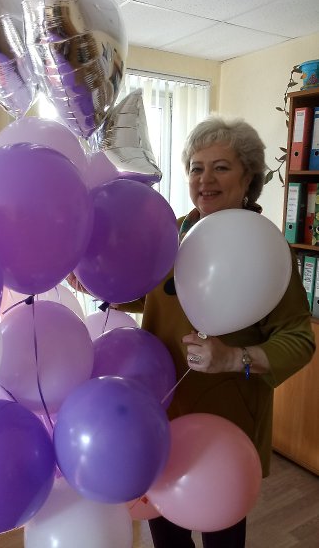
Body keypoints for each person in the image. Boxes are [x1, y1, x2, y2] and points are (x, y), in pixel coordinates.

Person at [68, 115, 315, 547]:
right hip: (159, 408)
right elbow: (155, 294)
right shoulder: (171, 232)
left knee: (221, 530)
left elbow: (299, 339)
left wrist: (233, 358)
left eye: (221, 167)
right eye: (196, 168)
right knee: (165, 530)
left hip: (226, 424)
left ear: (248, 178)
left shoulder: (266, 249)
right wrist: (103, 286)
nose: (205, 179)